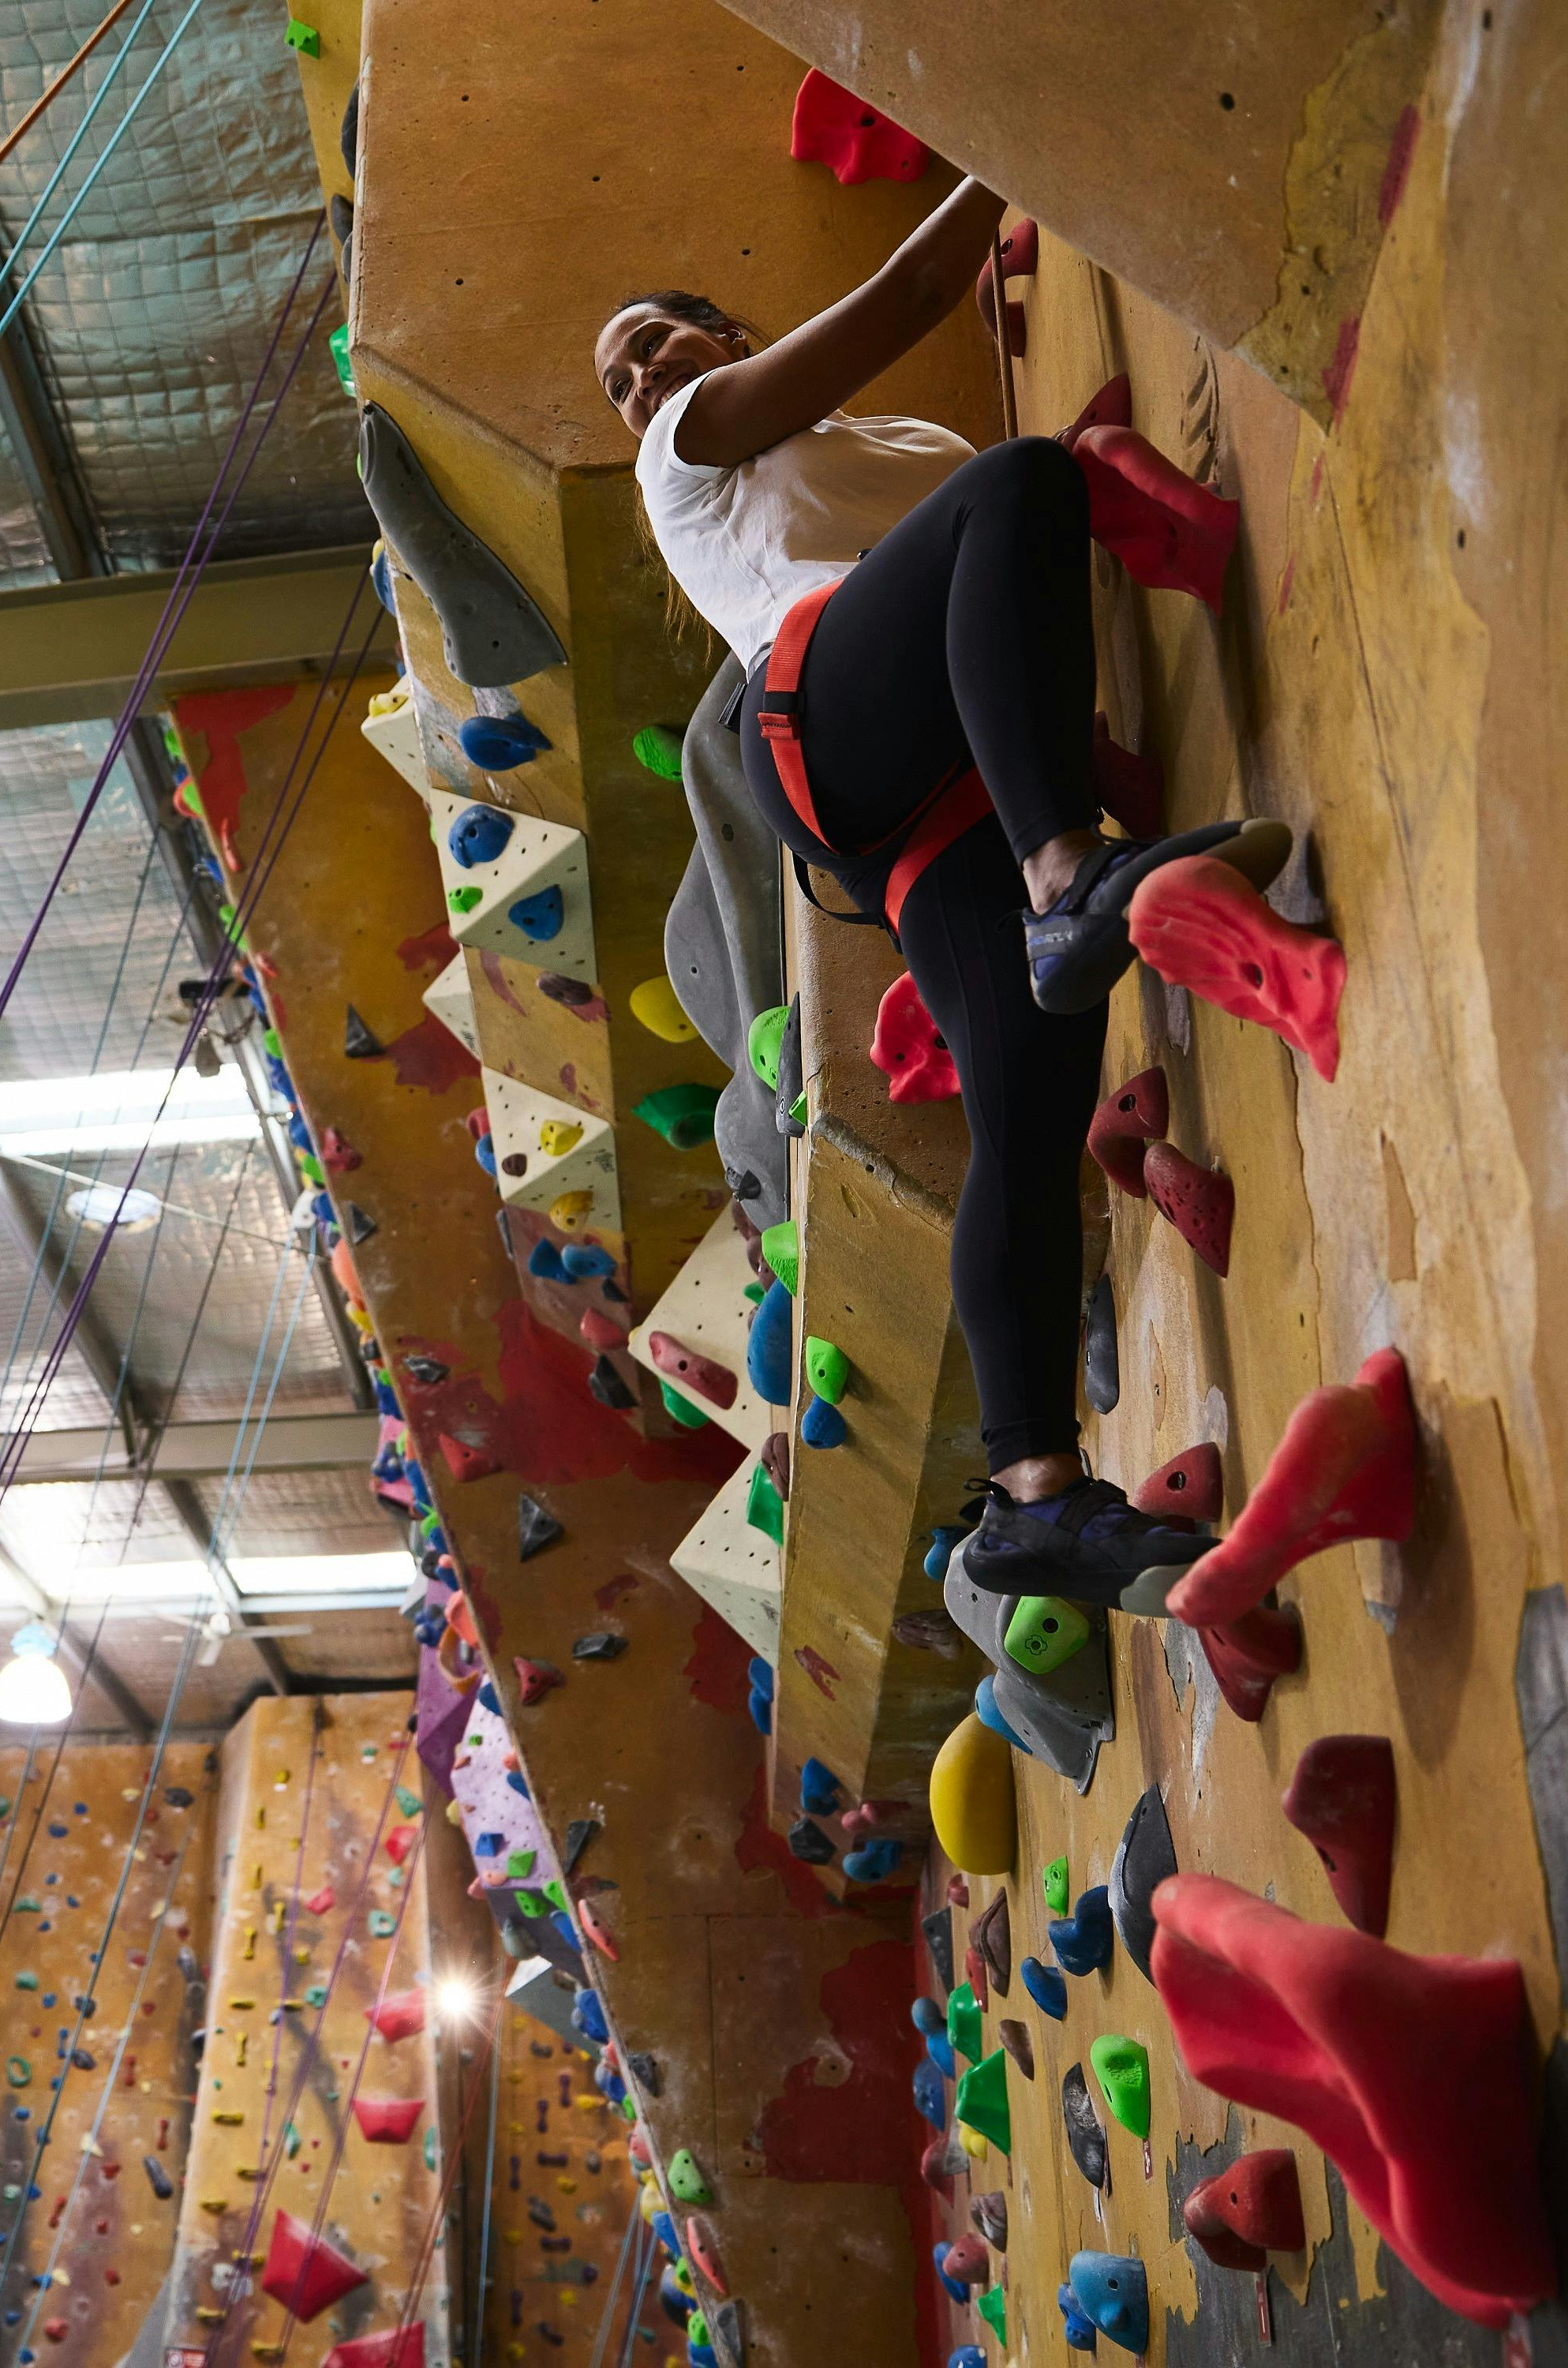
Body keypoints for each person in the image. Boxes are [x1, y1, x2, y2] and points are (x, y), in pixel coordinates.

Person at [593, 177, 1283, 1609]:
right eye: (619, 376)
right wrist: (1013, 152)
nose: (640, 377)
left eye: (655, 339)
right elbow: (911, 297)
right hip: (826, 723)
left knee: (1023, 1125)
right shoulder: (683, 455)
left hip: (933, 797)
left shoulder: (896, 442)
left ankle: (1034, 1498)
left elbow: (1000, 621)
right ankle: (1062, 879)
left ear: (724, 326)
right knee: (1019, 482)